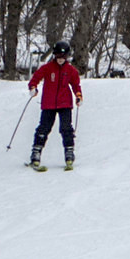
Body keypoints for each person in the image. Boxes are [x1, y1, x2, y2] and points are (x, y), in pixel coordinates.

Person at [26, 40, 82, 171]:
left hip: (65, 104)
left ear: (67, 56)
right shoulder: (47, 68)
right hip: (49, 104)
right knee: (44, 128)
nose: (61, 59)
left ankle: (69, 152)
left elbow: (75, 85)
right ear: (54, 56)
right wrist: (33, 87)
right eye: (58, 57)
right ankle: (36, 153)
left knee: (66, 128)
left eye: (63, 57)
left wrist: (78, 95)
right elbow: (35, 78)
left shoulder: (71, 70)